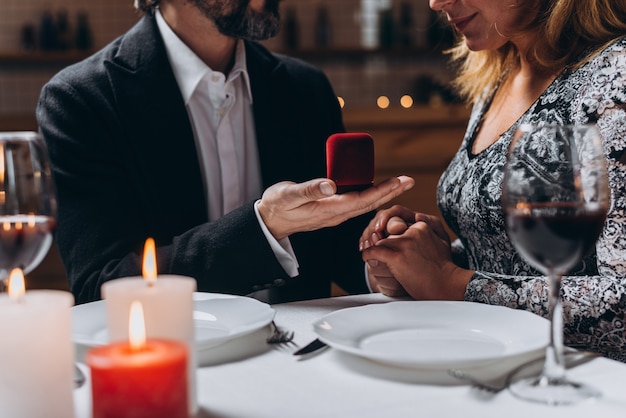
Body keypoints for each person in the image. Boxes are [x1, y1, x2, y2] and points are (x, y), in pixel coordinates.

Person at [36, 0, 414, 305]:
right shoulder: (82, 101)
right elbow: (100, 287)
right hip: (175, 364)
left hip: (302, 363)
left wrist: (383, 260)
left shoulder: (305, 88)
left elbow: (333, 247)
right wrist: (264, 227)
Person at [360, 0, 626, 361]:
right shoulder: (501, 75)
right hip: (498, 366)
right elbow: (510, 257)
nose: (436, 3)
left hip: (589, 385)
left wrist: (452, 284)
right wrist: (423, 258)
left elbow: (621, 298)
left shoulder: (615, 76)